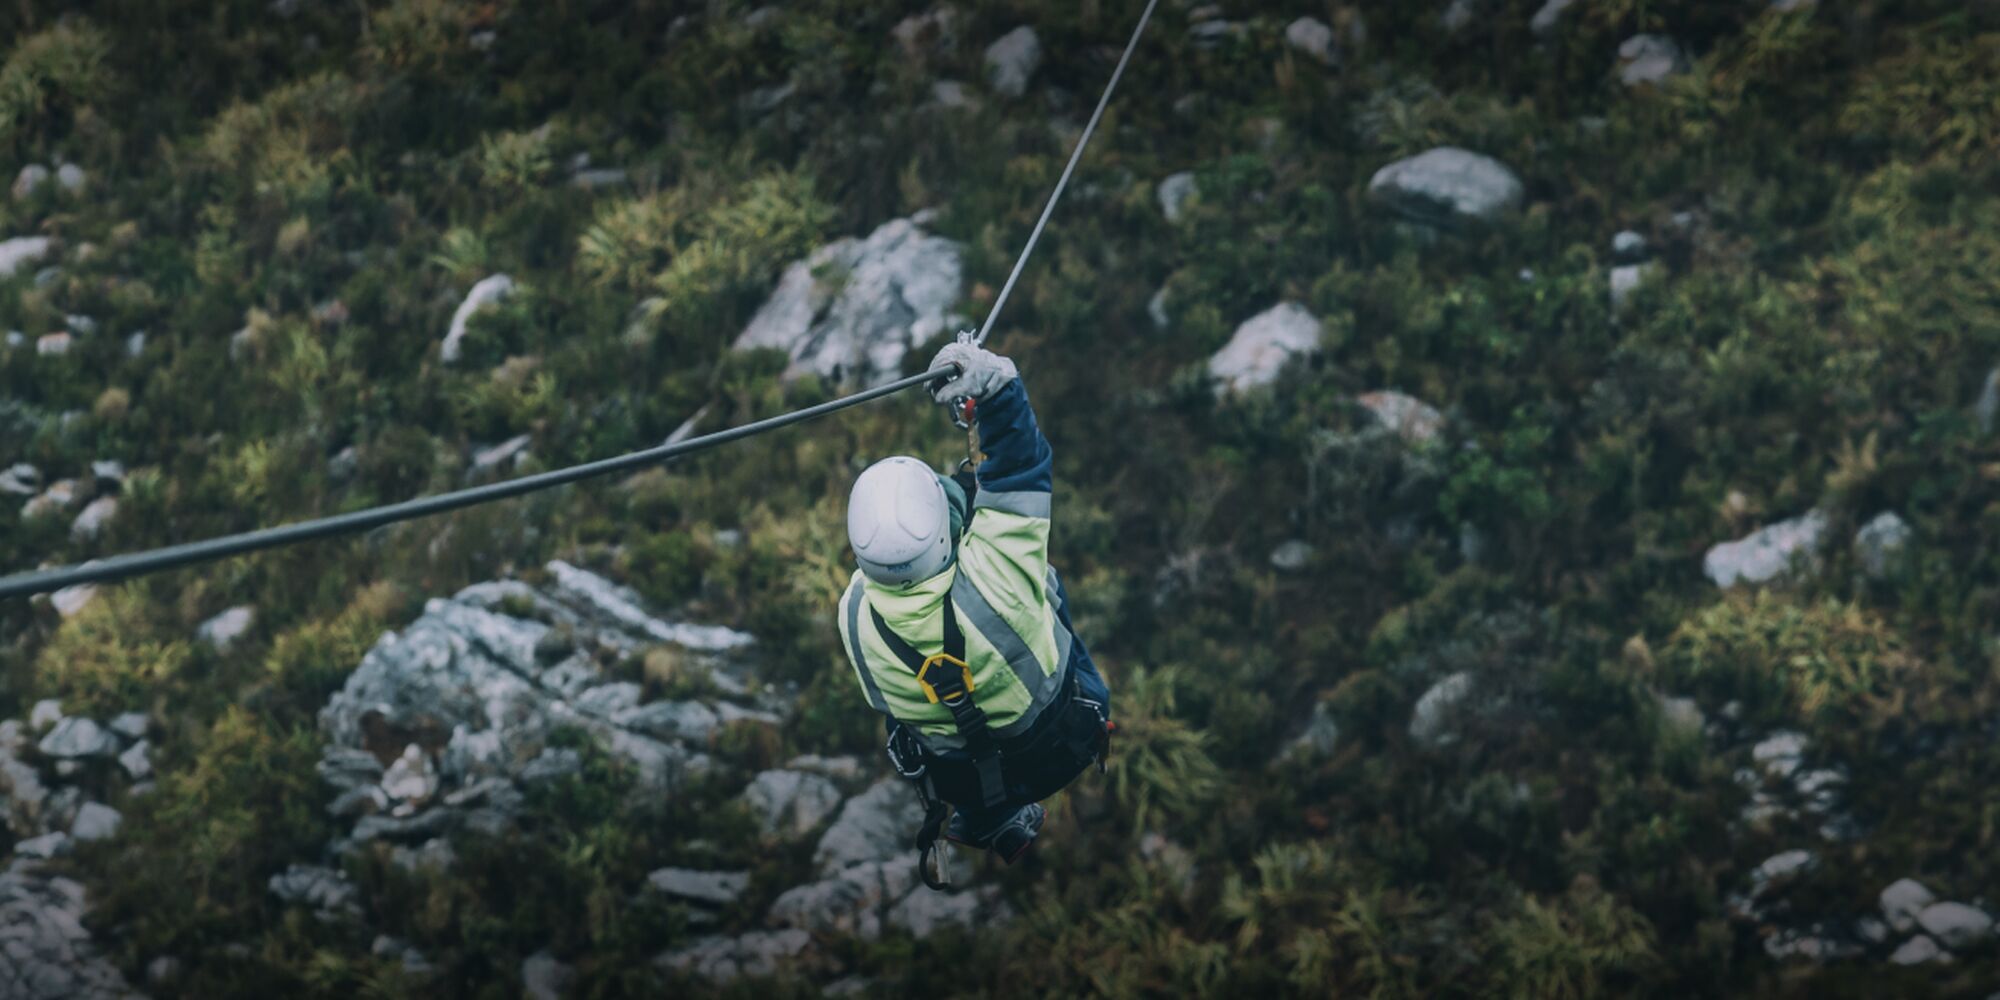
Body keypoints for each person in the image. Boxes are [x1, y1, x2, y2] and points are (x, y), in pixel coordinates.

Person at [835, 339, 1113, 885]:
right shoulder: (998, 578)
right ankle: (1001, 803)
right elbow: (1021, 467)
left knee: (908, 706)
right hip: (1061, 739)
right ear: (944, 535)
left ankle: (988, 813)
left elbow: (882, 698)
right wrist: (995, 386)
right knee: (1047, 589)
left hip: (960, 775)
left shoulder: (854, 614)